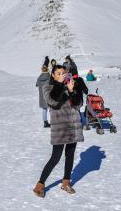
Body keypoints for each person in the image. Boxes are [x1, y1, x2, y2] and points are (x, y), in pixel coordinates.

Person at [33, 65, 84, 198]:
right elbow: (53, 102)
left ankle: (66, 182)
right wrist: (62, 86)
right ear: (53, 75)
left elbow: (78, 105)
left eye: (63, 73)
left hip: (73, 127)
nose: (62, 75)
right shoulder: (48, 88)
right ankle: (40, 184)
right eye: (59, 73)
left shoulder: (69, 87)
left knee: (70, 155)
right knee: (55, 158)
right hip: (60, 129)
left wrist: (72, 91)